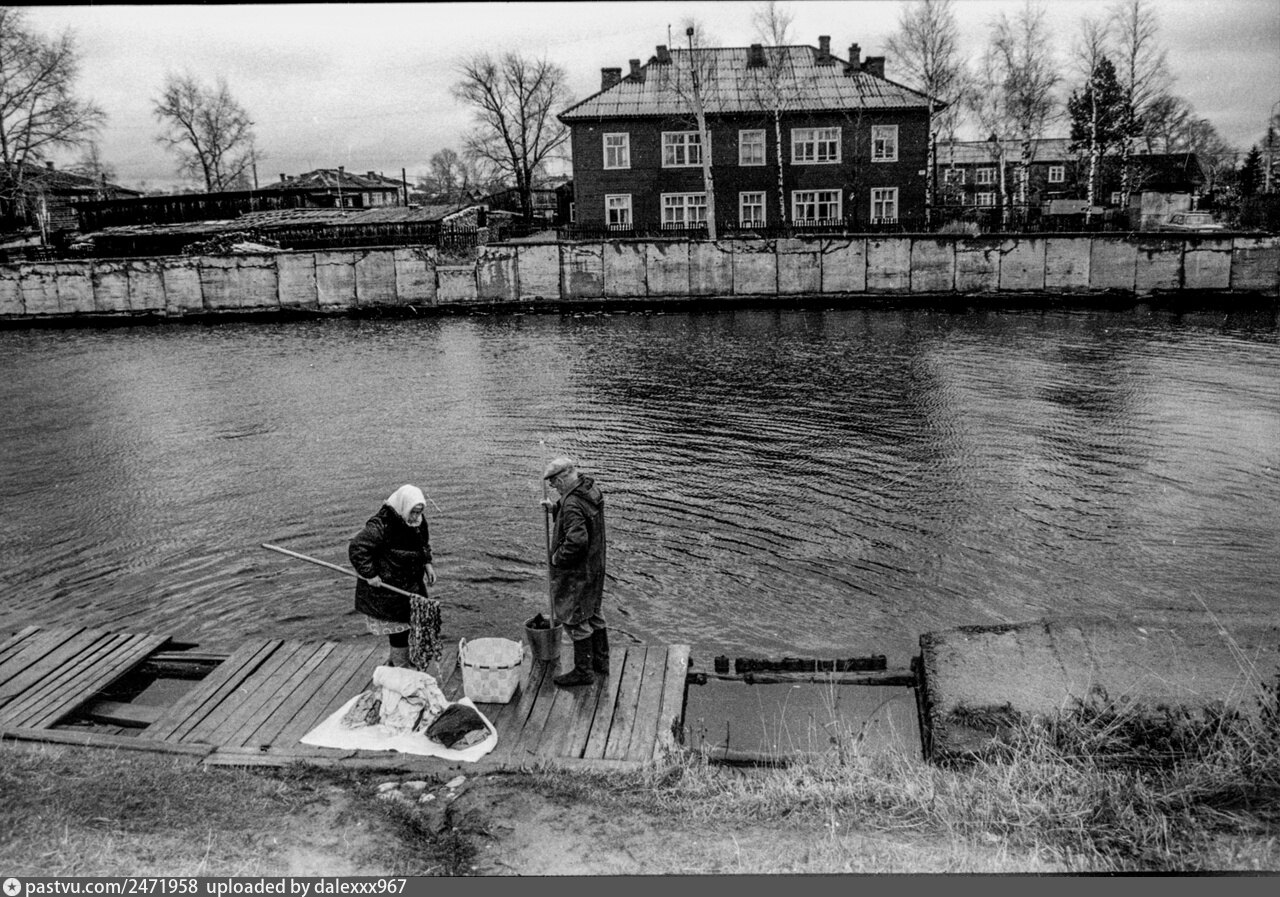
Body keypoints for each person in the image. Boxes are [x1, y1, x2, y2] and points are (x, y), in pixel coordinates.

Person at [349, 484, 437, 667]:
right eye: (413, 512)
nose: (416, 517)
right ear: (404, 507)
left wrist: (427, 564)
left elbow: (423, 544)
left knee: (411, 626)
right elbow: (357, 548)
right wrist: (370, 574)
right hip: (387, 589)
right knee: (399, 632)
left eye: (419, 512)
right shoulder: (381, 524)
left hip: (410, 585)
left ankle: (396, 664)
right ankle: (400, 667)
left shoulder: (418, 521)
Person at [540, 457, 608, 687]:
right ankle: (601, 662)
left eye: (554, 483)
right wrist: (554, 508)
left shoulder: (571, 504)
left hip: (578, 573)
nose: (554, 487)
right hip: (595, 566)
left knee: (575, 618)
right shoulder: (590, 489)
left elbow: (576, 541)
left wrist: (556, 558)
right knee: (594, 612)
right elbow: (578, 511)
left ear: (561, 479)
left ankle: (583, 671)